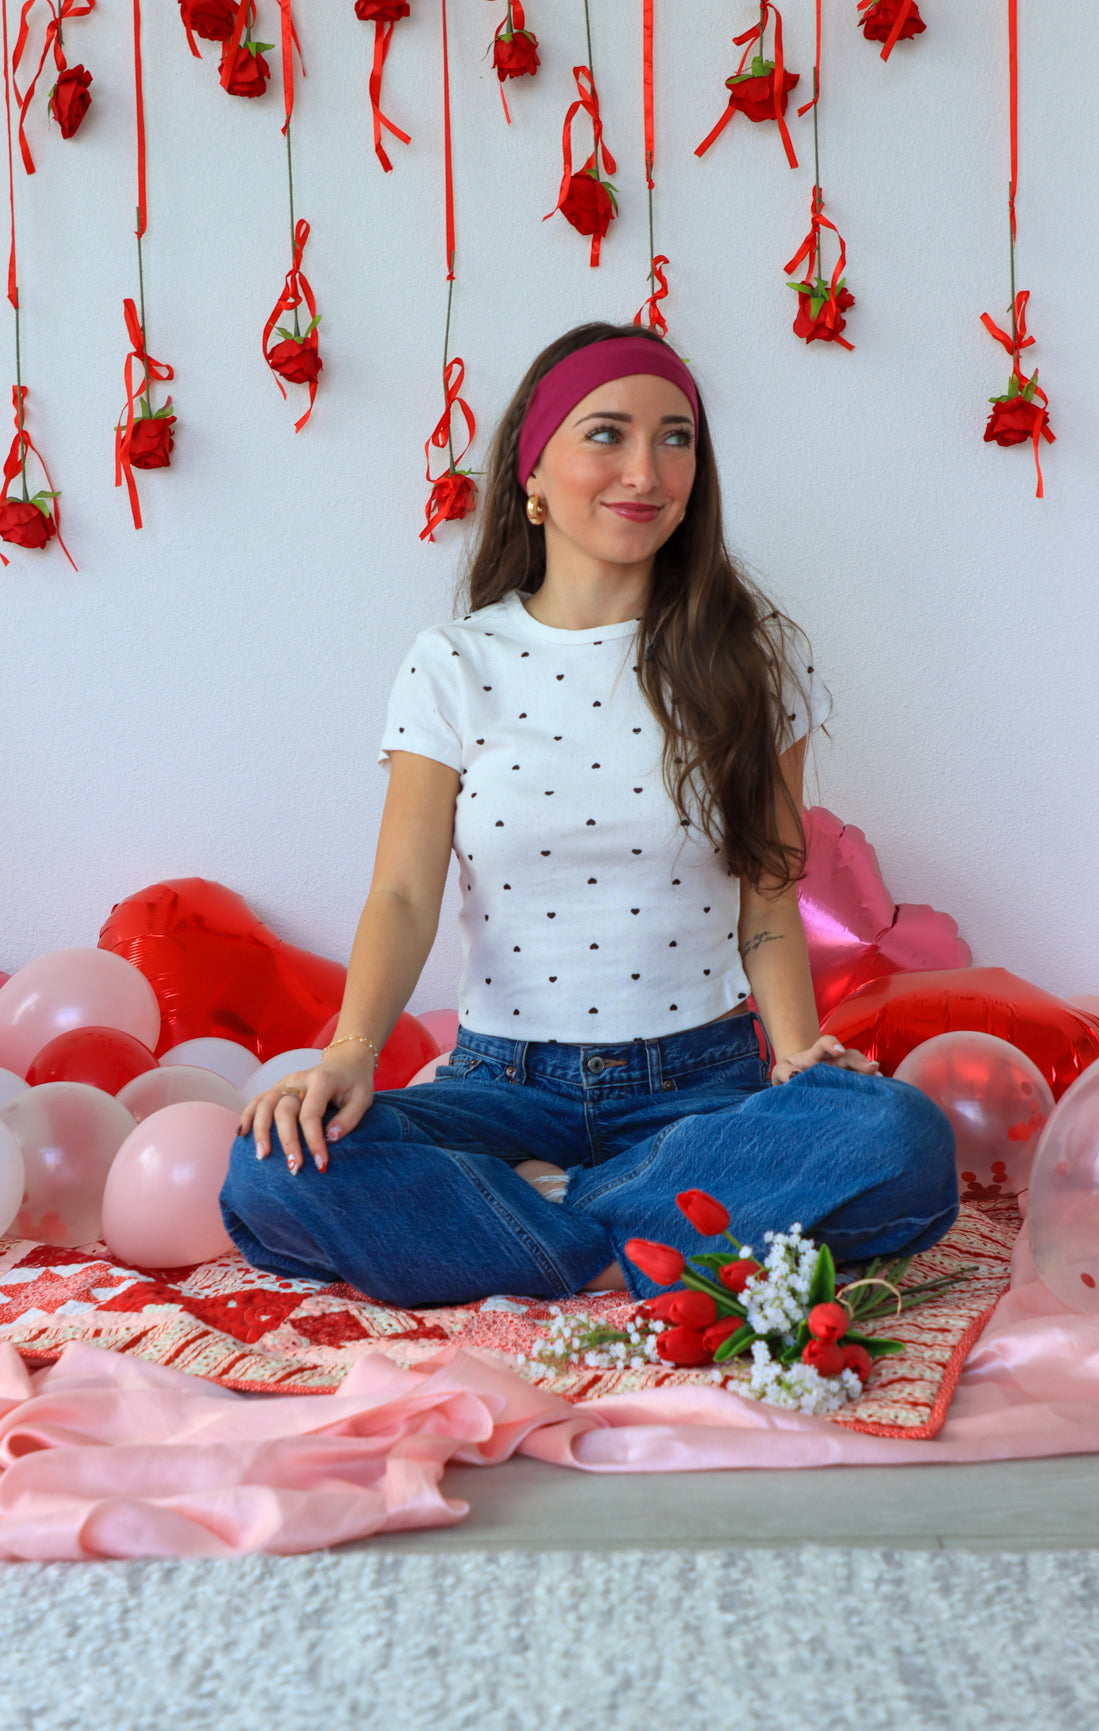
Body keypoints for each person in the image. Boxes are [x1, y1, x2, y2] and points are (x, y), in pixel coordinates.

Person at [221, 321, 957, 1309]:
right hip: (499, 1087)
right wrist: (348, 1055)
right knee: (270, 1173)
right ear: (531, 470)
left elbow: (769, 896)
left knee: (896, 1140)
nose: (645, 471)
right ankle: (644, 1235)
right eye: (606, 434)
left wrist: (791, 1055)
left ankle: (545, 1224)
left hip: (701, 1085)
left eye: (675, 438)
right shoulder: (453, 664)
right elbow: (402, 893)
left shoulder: (751, 654)